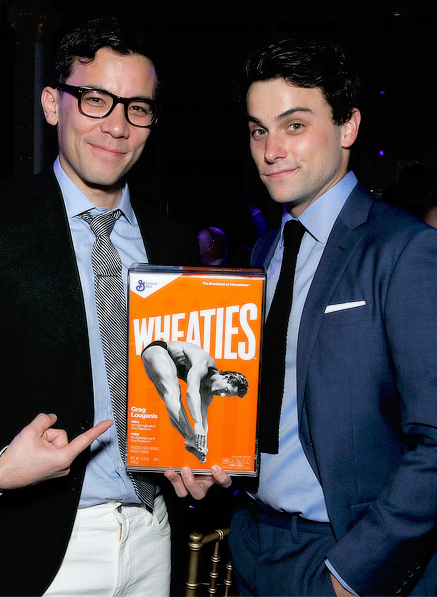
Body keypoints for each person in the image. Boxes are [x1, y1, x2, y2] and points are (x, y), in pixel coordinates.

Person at [166, 37, 437, 596]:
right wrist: (204, 456)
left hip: (344, 552)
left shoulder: (404, 250)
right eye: (257, 129)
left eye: (293, 125)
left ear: (348, 126)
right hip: (253, 542)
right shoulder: (264, 252)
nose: (270, 150)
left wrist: (354, 574)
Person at [0, 17, 198, 597]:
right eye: (97, 99)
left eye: (137, 107)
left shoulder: (172, 243)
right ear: (54, 104)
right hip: (30, 547)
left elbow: (184, 381)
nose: (117, 126)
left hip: (154, 539)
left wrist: (197, 447)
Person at [141, 340, 248, 462]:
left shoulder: (208, 393)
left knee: (174, 406)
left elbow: (203, 420)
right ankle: (190, 438)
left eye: (227, 396)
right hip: (158, 350)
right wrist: (196, 425)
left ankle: (191, 440)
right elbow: (191, 392)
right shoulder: (203, 364)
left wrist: (203, 445)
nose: (222, 395)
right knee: (174, 391)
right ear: (226, 378)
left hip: (160, 363)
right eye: (226, 390)